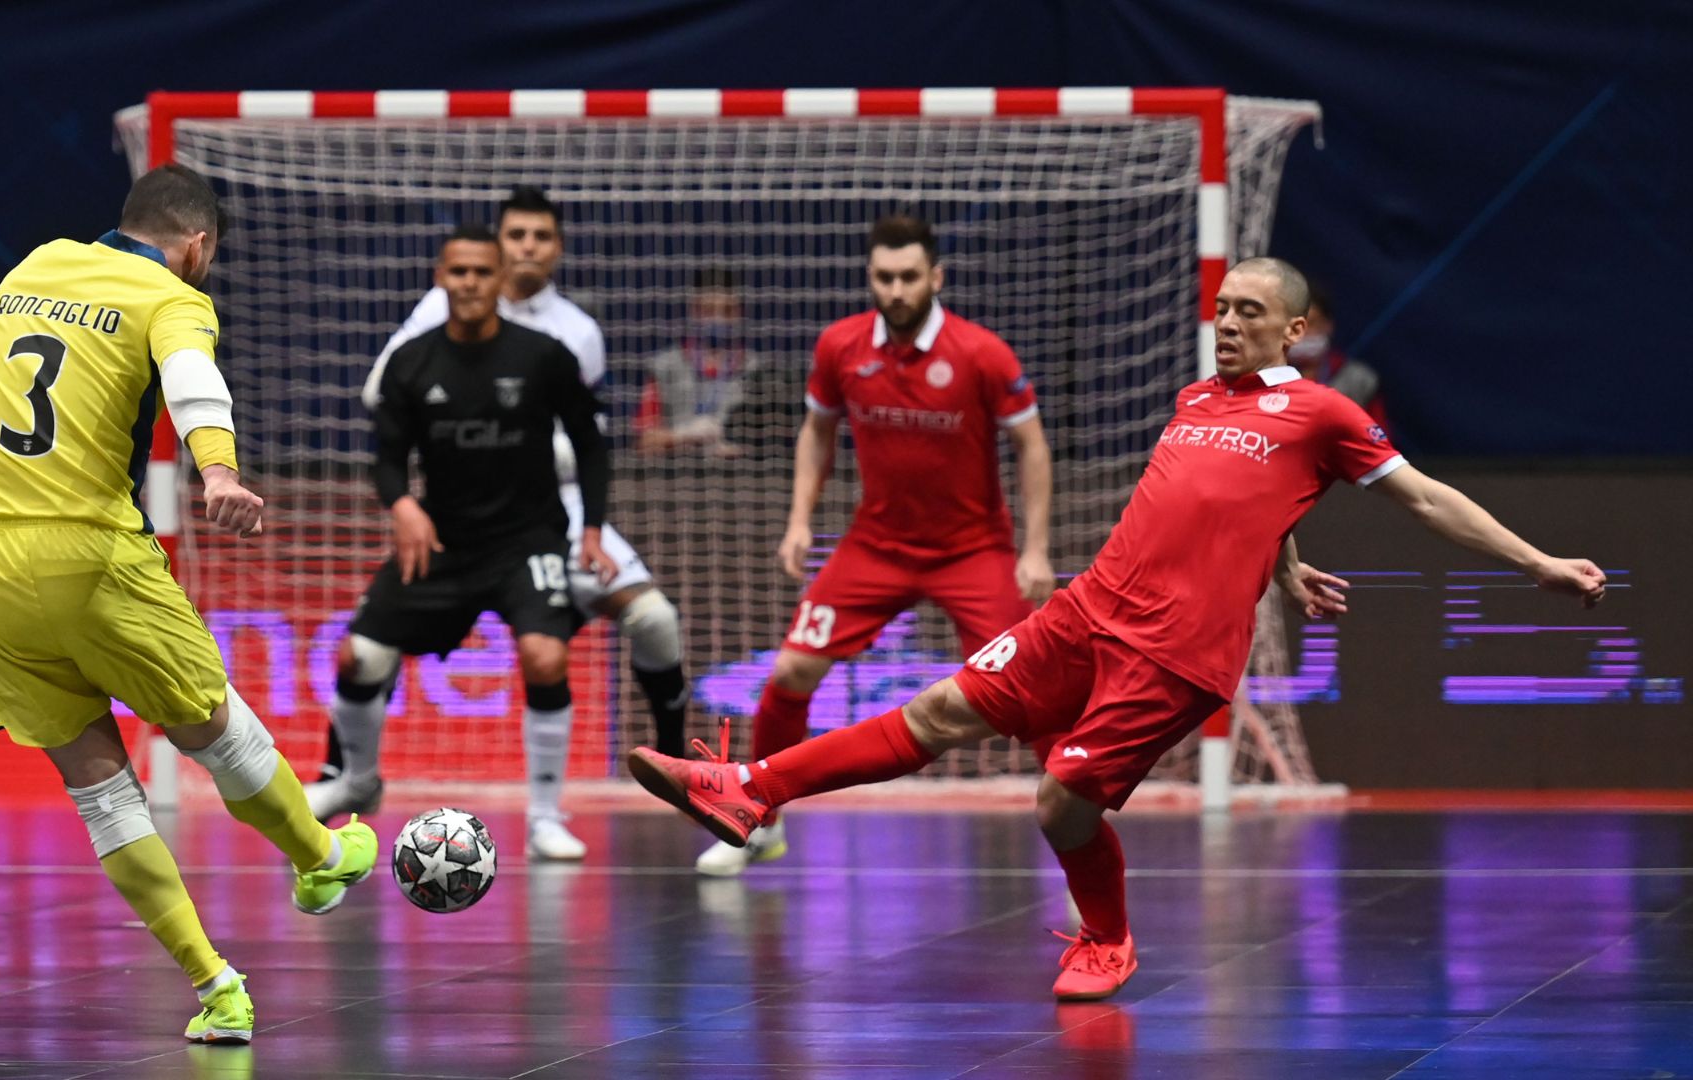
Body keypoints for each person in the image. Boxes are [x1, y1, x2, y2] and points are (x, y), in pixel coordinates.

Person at [628, 256, 1606, 999]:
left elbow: (1426, 499)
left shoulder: (1325, 414)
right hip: (1088, 609)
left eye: (1248, 314)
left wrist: (1538, 565)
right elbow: (1239, 505)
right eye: (1220, 309)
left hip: (1175, 654)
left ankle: (1108, 935)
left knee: (1059, 803)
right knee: (938, 707)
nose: (1225, 325)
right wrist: (1290, 568)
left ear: (1295, 329)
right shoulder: (1195, 397)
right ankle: (749, 789)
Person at [0, 164, 377, 1045]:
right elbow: (191, 381)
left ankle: (217, 989)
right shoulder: (167, 293)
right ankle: (321, 859)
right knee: (213, 724)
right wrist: (217, 469)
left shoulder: (36, 263)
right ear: (197, 247)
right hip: (84, 551)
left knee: (101, 793)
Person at [319, 187, 692, 860]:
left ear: (545, 253)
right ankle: (348, 777)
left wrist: (591, 525)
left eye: (536, 238)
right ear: (448, 273)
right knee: (363, 651)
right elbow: (385, 431)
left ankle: (648, 765)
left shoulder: (565, 339)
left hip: (546, 514)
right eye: (510, 237)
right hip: (451, 519)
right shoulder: (423, 337)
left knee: (628, 628)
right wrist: (404, 501)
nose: (521, 251)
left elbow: (590, 439)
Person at [691, 213, 1055, 877]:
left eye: (909, 277)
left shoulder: (982, 354)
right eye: (884, 277)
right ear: (870, 278)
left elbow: (1031, 445)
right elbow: (817, 432)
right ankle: (760, 819)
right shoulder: (841, 346)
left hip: (974, 551)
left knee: (1029, 696)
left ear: (935, 277)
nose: (896, 289)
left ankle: (1074, 840)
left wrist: (1035, 550)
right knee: (790, 672)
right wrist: (800, 519)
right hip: (876, 546)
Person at [636, 267, 749, 458]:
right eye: (708, 310)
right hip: (676, 482)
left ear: (739, 313)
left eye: (727, 311)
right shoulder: (666, 366)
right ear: (694, 310)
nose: (718, 319)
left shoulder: (757, 370)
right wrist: (682, 436)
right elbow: (643, 441)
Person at [1288, 282, 1390, 430]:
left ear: (1328, 325)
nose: (1302, 333)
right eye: (1294, 326)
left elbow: (1380, 441)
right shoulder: (1265, 377)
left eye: (1311, 323)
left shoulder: (1359, 380)